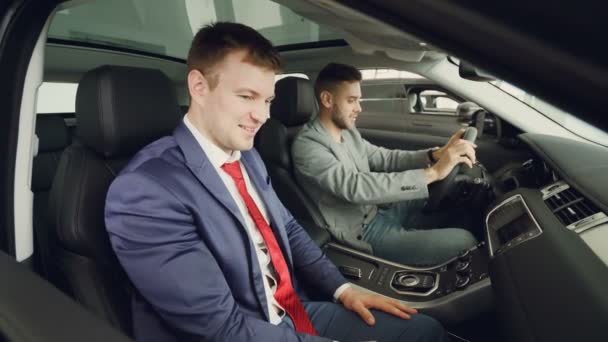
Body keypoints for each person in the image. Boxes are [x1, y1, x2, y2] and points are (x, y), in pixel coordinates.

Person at [105, 23, 448, 342]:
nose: (263, 116)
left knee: (422, 332)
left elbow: (288, 228)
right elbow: (222, 329)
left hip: (291, 310)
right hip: (245, 331)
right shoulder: (145, 191)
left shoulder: (247, 156)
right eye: (246, 96)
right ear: (199, 87)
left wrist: (342, 290)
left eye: (267, 100)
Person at [292, 63, 478, 267]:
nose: (359, 108)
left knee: (462, 210)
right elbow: (354, 186)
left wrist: (435, 154)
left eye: (358, 100)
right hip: (364, 232)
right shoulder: (307, 146)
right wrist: (432, 173)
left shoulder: (348, 132)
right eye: (351, 101)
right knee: (464, 241)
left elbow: (384, 158)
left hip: (381, 210)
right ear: (327, 99)